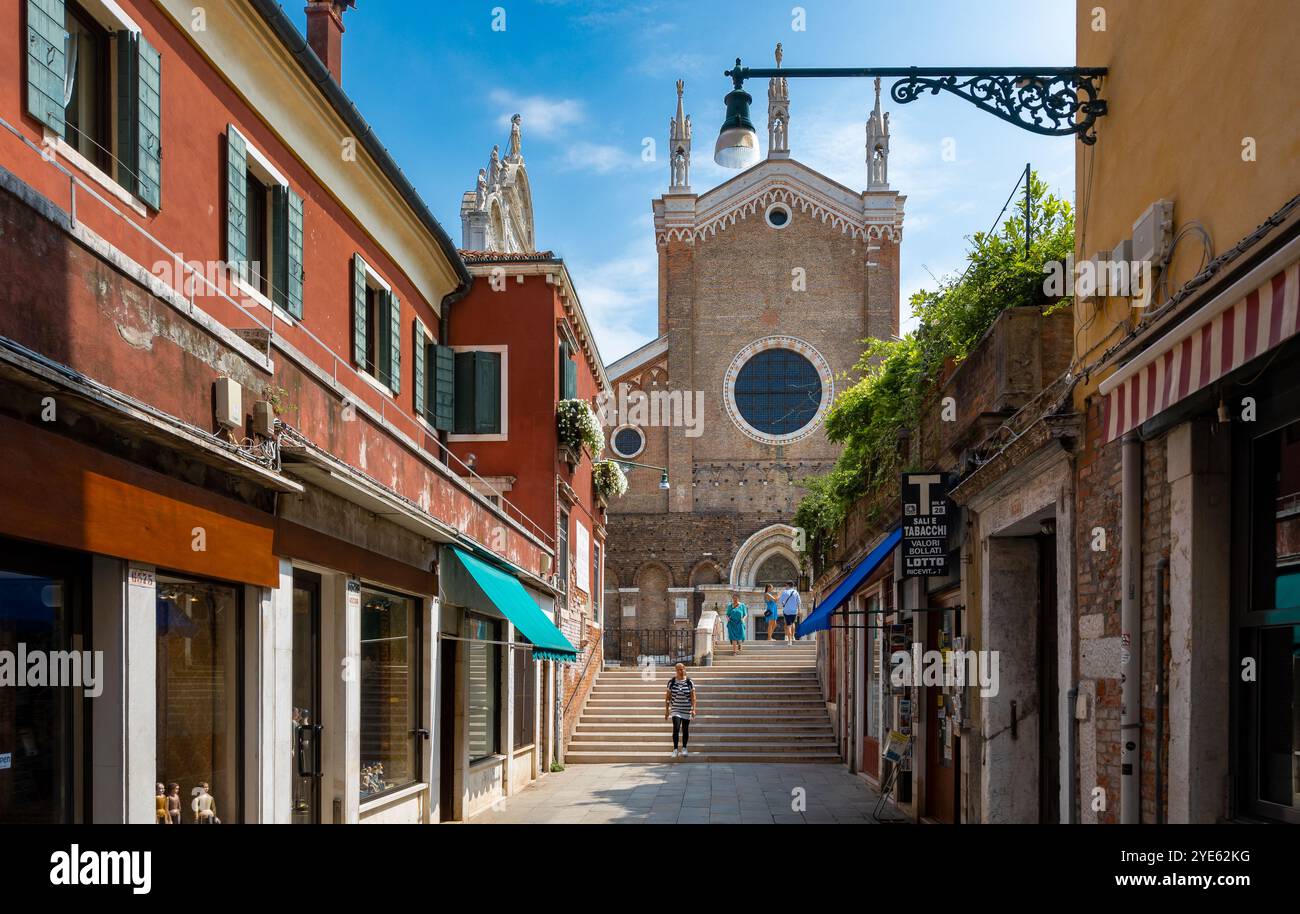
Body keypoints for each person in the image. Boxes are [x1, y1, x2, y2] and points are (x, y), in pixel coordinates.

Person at [664, 662, 697, 758]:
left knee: (685, 729)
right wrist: (666, 710)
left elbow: (693, 697)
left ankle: (684, 748)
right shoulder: (672, 682)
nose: (680, 671)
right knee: (676, 728)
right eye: (678, 669)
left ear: (684, 669)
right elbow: (667, 697)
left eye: (682, 669)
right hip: (676, 709)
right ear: (676, 670)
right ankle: (675, 749)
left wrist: (694, 709)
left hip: (686, 709)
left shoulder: (689, 682)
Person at [778, 581, 802, 645]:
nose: (785, 586)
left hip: (786, 611)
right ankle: (793, 637)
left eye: (786, 585)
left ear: (788, 585)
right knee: (793, 623)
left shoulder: (785, 592)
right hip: (794, 611)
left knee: (788, 625)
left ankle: (789, 641)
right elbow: (799, 602)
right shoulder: (796, 592)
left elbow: (780, 601)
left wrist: (784, 604)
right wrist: (799, 610)